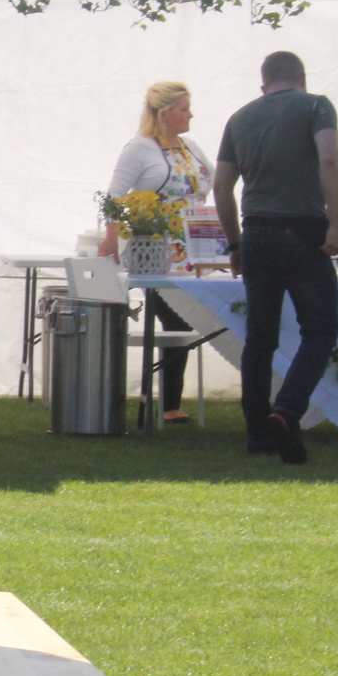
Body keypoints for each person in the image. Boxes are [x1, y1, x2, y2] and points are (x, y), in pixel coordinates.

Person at [212, 51, 338, 464]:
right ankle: (286, 412)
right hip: (302, 231)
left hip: (255, 232)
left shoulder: (239, 118)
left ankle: (258, 436)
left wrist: (234, 245)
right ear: (302, 79)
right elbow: (329, 158)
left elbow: (221, 186)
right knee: (319, 331)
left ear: (264, 85)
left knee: (259, 339)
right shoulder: (316, 106)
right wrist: (337, 222)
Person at [97, 81, 215, 424]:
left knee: (188, 319)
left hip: (197, 249)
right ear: (164, 114)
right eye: (184, 109)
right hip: (156, 251)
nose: (191, 115)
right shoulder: (139, 148)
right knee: (174, 318)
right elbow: (115, 196)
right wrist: (111, 238)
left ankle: (169, 401)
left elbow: (212, 183)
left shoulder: (190, 147)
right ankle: (167, 402)